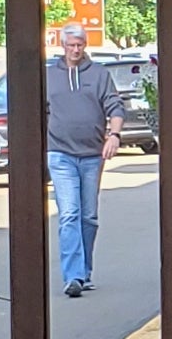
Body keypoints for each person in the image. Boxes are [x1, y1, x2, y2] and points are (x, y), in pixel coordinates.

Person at [45, 20, 121, 299]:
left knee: (88, 217)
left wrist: (114, 135)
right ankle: (73, 275)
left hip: (91, 155)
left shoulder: (98, 74)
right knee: (69, 214)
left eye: (79, 45)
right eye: (70, 45)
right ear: (62, 46)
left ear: (85, 46)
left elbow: (114, 105)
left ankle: (84, 271)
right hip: (60, 153)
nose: (75, 50)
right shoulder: (49, 75)